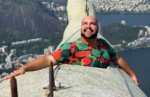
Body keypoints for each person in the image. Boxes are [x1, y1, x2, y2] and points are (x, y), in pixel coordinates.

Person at [4, 16, 139, 86]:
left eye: (92, 24)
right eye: (85, 24)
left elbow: (117, 59)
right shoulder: (72, 47)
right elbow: (48, 59)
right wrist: (25, 68)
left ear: (97, 28)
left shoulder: (103, 44)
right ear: (81, 28)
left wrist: (132, 75)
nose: (88, 27)